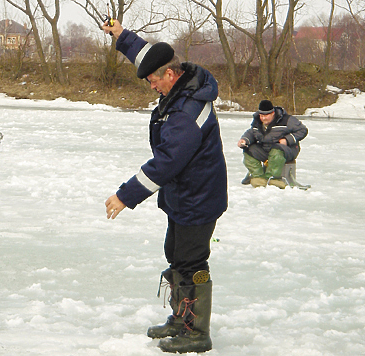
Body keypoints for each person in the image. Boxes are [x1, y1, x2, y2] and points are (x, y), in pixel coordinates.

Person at [102, 20, 227, 354]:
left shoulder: (187, 111)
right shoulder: (180, 80)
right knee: (176, 255)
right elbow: (150, 55)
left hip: (198, 198)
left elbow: (168, 162)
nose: (152, 87)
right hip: (183, 195)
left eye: (154, 81)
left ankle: (196, 331)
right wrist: (121, 36)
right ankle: (179, 317)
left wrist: (125, 196)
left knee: (192, 263)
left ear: (170, 76)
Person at [237, 99, 308, 189]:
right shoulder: (257, 122)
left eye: (266, 115)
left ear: (273, 113)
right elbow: (252, 132)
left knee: (276, 151)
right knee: (249, 149)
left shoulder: (287, 120)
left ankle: (273, 178)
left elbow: (303, 130)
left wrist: (287, 139)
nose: (263, 118)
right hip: (266, 150)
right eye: (261, 115)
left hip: (287, 150)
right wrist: (244, 140)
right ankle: (258, 177)